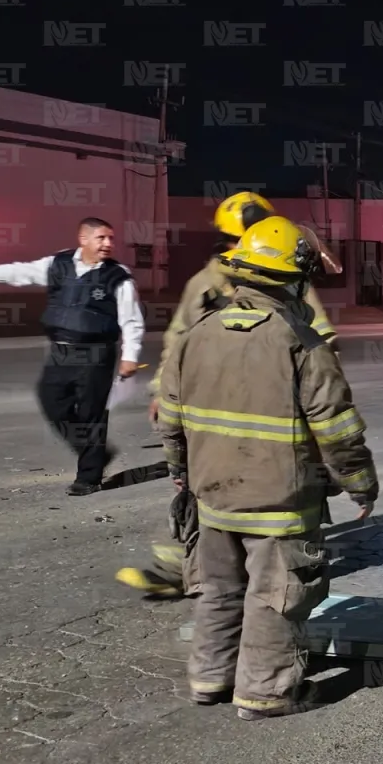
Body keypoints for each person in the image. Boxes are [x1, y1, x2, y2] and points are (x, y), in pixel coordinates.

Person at [155, 215, 378, 720]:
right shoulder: (302, 343)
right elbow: (338, 431)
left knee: (219, 589)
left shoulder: (197, 334)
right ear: (295, 280)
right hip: (280, 504)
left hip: (211, 497)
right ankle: (266, 693)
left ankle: (209, 679)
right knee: (276, 597)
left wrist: (181, 472)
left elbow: (171, 418)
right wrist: (361, 486)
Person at [116, 191, 340, 599]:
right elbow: (179, 338)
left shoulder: (287, 278)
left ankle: (270, 566)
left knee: (284, 485)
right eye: (236, 239)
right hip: (214, 400)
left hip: (272, 403)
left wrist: (319, 387)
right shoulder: (206, 283)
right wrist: (163, 391)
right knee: (207, 485)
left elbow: (320, 338)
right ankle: (194, 566)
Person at [0, 218, 144, 495]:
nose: (108, 244)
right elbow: (18, 272)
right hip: (61, 350)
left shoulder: (118, 276)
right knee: (52, 401)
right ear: (83, 239)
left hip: (97, 353)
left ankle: (89, 477)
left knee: (91, 413)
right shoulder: (57, 265)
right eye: (102, 238)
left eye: (111, 239)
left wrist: (130, 355)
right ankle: (94, 452)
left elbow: (132, 320)